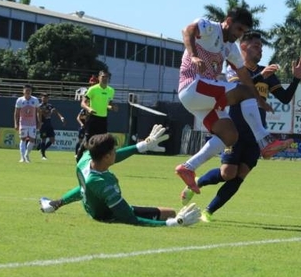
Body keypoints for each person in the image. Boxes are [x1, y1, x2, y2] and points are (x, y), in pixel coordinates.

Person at [180, 31, 301, 221]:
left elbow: (285, 97)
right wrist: (260, 76)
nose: (260, 50)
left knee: (240, 175)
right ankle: (197, 181)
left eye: (262, 47)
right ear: (243, 47)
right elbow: (241, 87)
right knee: (227, 173)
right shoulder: (234, 68)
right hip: (236, 130)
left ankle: (208, 211)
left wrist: (297, 78)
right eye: (256, 46)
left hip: (256, 135)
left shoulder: (268, 73)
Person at [175, 8, 293, 194]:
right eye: (238, 29)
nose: (239, 35)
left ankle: (188, 167)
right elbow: (187, 30)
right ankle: (264, 140)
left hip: (198, 98)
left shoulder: (230, 48)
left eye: (242, 32)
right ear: (228, 21)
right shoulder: (210, 27)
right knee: (243, 91)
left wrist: (259, 101)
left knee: (230, 135)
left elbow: (243, 74)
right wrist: (194, 54)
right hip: (192, 85)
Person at [39, 126, 201, 227]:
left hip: (95, 204)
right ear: (107, 156)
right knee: (171, 215)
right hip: (109, 215)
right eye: (114, 151)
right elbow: (130, 219)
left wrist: (141, 146)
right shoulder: (102, 184)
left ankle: (54, 204)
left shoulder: (86, 159)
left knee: (170, 211)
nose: (116, 153)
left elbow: (82, 190)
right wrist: (173, 224)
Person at [76, 70, 118, 162]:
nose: (104, 79)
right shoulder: (93, 89)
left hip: (103, 119)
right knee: (88, 141)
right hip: (92, 118)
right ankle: (79, 153)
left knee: (102, 141)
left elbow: (108, 104)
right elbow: (83, 103)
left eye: (106, 77)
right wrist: (89, 109)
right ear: (99, 78)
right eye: (103, 77)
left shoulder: (111, 91)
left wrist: (112, 107)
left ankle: (97, 161)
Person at [13, 84, 40, 163]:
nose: (28, 92)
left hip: (32, 123)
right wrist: (16, 123)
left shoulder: (35, 100)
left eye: (29, 91)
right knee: (23, 139)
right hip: (23, 123)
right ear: (23, 91)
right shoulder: (20, 100)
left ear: (31, 91)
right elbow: (16, 113)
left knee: (32, 140)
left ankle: (27, 154)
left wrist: (39, 122)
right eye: (26, 90)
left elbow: (38, 112)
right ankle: (22, 157)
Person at [36, 93, 65, 160]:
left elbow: (56, 111)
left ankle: (42, 149)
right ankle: (43, 156)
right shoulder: (40, 106)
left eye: (46, 98)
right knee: (43, 139)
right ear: (41, 98)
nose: (45, 99)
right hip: (43, 125)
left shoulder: (50, 105)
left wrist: (61, 117)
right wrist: (50, 112)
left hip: (49, 124)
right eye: (43, 97)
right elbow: (45, 116)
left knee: (52, 140)